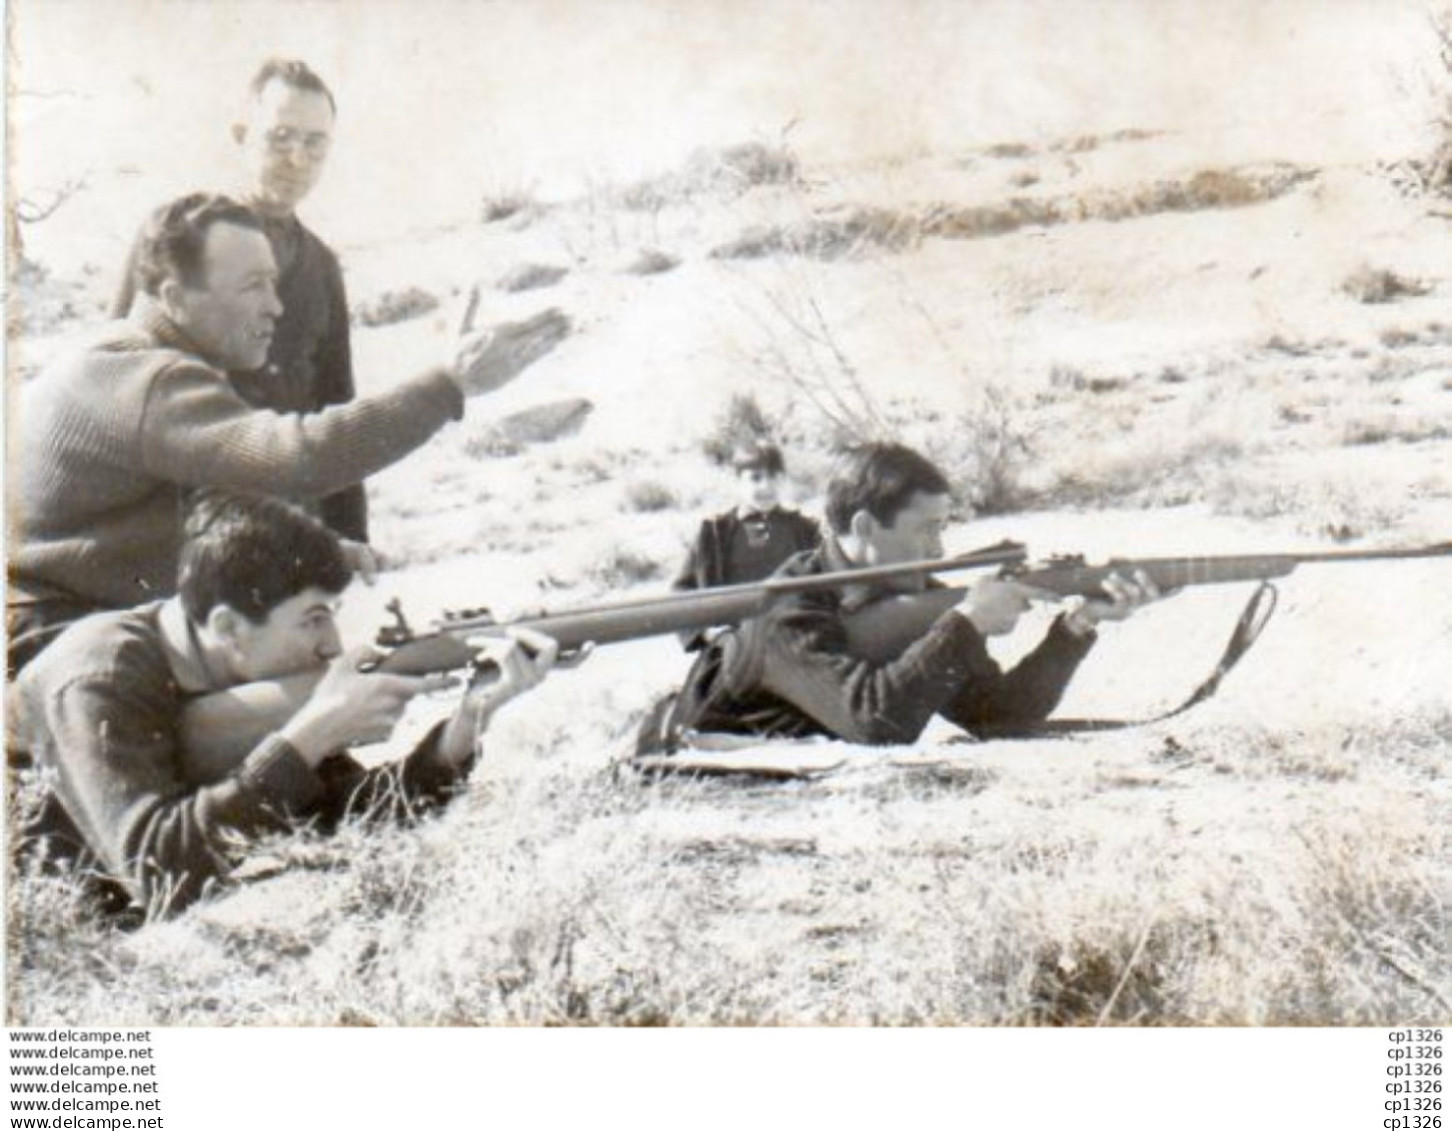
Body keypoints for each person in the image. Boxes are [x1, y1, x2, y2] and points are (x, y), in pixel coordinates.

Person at [6, 190, 566, 673]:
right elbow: (295, 457)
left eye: (274, 284)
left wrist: (302, 554)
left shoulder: (140, 361)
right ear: (175, 299)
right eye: (252, 286)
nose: (275, 307)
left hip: (75, 628)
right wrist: (450, 385)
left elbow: (184, 519)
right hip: (49, 644)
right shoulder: (142, 377)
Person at [8, 492, 558, 919]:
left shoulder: (237, 668)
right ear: (228, 627)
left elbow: (346, 813)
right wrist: (309, 735)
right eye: (312, 618)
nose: (332, 645)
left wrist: (465, 726)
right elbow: (160, 875)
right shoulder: (95, 677)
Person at [639, 442, 1158, 751]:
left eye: (942, 528)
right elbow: (874, 722)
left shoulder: (910, 590)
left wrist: (1078, 626)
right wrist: (965, 623)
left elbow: (998, 714)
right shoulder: (787, 608)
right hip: (695, 769)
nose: (937, 548)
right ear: (864, 526)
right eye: (924, 529)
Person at [112, 59, 367, 551]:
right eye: (280, 137)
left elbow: (337, 412)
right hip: (189, 539)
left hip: (291, 537)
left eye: (315, 143)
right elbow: (114, 387)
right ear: (240, 135)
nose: (297, 159)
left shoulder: (321, 268)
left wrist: (348, 540)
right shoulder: (175, 240)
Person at [671, 441, 821, 651]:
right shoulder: (715, 533)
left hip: (795, 643)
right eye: (755, 478)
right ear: (738, 481)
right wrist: (703, 632)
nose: (765, 486)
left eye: (773, 477)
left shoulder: (805, 529)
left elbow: (827, 583)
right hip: (734, 647)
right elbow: (681, 592)